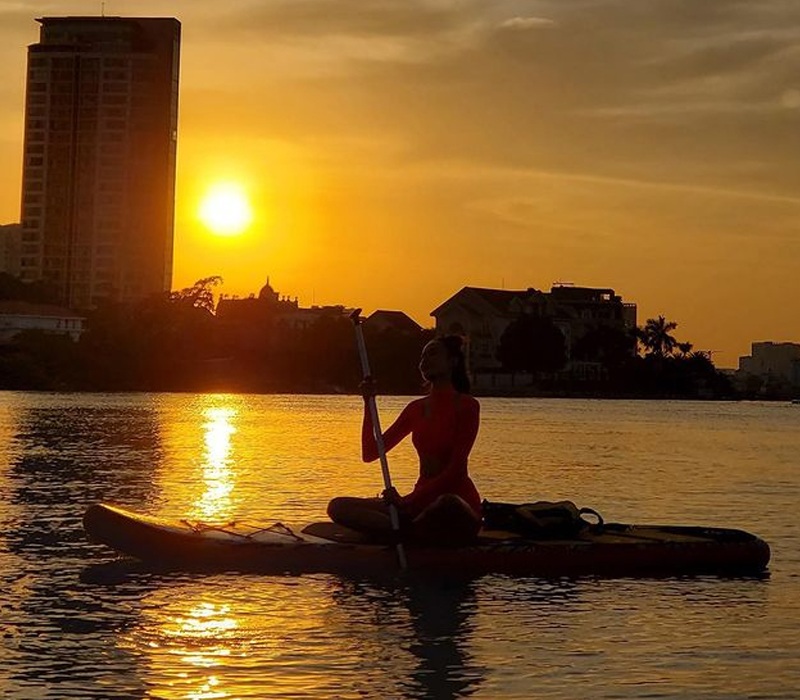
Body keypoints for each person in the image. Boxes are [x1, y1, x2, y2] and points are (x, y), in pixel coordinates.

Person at [327, 335, 482, 546]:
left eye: (433, 353)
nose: (424, 360)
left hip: (455, 507)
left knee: (448, 503)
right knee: (338, 506)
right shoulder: (415, 409)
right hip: (417, 506)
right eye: (422, 356)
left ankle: (399, 530)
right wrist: (368, 404)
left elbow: (455, 471)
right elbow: (371, 453)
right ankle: (405, 530)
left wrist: (405, 501)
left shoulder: (467, 406)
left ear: (452, 362)